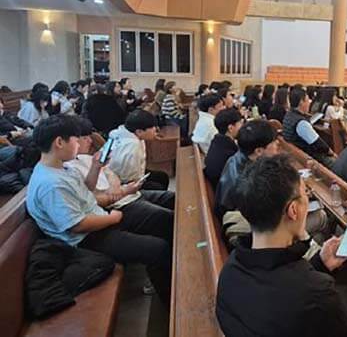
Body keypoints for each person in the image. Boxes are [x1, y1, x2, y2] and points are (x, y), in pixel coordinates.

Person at [216, 155, 347, 337]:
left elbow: (279, 293)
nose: (307, 198)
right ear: (293, 210)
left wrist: (321, 263)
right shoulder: (317, 292)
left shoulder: (230, 270)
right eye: (305, 193)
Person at [25, 115, 172, 305]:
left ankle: (168, 280)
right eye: (75, 140)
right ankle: (172, 303)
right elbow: (77, 225)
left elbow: (86, 189)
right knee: (159, 249)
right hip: (87, 238)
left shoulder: (61, 167)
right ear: (59, 142)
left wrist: (95, 167)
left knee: (163, 221)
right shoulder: (51, 184)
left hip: (99, 220)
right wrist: (113, 218)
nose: (79, 144)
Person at [215, 119, 280, 219]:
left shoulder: (237, 157)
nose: (278, 143)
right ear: (258, 151)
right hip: (239, 220)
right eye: (274, 141)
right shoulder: (250, 182)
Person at [108, 109, 170, 191]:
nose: (156, 130)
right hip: (124, 183)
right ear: (139, 131)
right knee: (158, 187)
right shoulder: (132, 147)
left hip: (130, 174)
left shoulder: (121, 132)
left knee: (162, 177)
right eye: (152, 128)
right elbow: (129, 178)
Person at [282, 88, 335, 168]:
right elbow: (319, 144)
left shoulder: (289, 115)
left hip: (297, 154)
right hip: (309, 158)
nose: (309, 103)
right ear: (301, 102)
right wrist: (332, 153)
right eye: (307, 100)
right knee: (339, 165)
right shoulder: (301, 123)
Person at [204, 108, 243, 188]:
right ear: (231, 128)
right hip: (225, 189)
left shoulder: (217, 141)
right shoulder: (230, 155)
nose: (242, 126)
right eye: (240, 123)